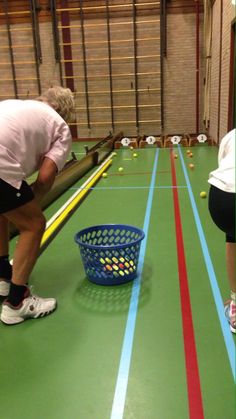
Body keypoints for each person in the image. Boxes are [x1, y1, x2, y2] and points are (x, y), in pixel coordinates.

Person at [0, 86, 75, 325]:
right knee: (34, 224)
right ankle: (17, 303)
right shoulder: (60, 127)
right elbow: (44, 179)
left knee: (2, 211)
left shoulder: (17, 105)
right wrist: (32, 205)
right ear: (62, 111)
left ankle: (3, 276)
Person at [208, 128, 236, 334]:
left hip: (221, 201)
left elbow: (225, 167)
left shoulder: (232, 135)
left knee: (232, 239)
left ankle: (235, 305)